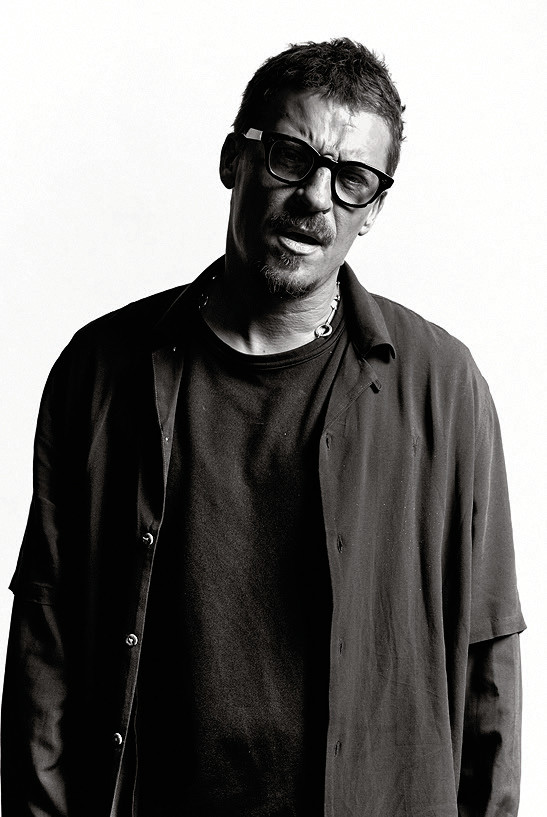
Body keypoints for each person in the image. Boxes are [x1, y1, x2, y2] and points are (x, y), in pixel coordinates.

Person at [1, 38, 525, 817]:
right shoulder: (100, 371)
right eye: (290, 156)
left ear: (373, 208)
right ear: (233, 159)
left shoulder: (444, 388)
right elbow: (46, 646)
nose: (316, 197)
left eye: (351, 178)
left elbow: (488, 666)